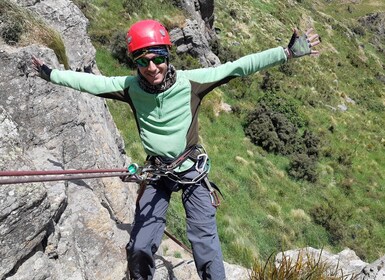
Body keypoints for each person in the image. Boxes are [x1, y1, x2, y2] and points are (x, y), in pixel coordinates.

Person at [32, 19, 320, 280]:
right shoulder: (130, 88)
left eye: (158, 58)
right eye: (143, 61)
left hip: (192, 171)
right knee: (141, 246)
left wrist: (287, 52)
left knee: (205, 243)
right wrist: (51, 74)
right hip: (157, 172)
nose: (152, 67)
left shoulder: (190, 83)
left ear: (168, 56)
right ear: (135, 63)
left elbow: (238, 66)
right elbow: (91, 83)